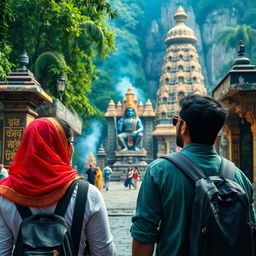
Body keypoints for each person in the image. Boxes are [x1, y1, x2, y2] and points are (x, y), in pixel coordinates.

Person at [131, 94, 256, 256]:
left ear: (183, 127)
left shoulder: (159, 171)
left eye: (176, 121)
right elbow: (251, 232)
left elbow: (144, 235)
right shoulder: (240, 178)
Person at [0, 117, 117, 256]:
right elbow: (104, 252)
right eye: (71, 143)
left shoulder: (6, 194)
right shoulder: (87, 194)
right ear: (63, 146)